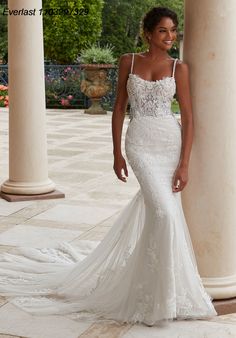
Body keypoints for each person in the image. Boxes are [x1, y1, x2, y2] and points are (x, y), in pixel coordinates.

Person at [0, 7, 217, 327]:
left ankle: (165, 292)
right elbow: (118, 109)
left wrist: (184, 163)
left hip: (169, 145)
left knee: (165, 214)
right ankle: (154, 294)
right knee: (163, 213)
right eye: (163, 31)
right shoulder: (128, 61)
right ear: (148, 33)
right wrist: (117, 152)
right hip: (141, 143)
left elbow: (188, 117)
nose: (170, 37)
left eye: (174, 31)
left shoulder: (178, 68)